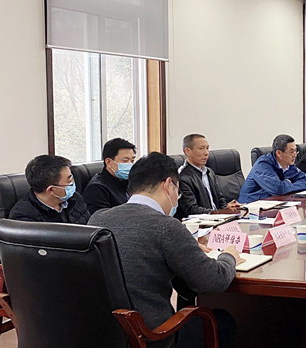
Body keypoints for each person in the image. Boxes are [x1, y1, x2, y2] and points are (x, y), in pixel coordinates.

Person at [88, 152, 243, 348]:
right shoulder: (166, 226)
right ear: (169, 185)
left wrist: (189, 248)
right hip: (153, 336)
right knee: (223, 320)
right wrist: (228, 256)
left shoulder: (97, 218)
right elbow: (214, 281)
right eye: (178, 190)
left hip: (105, 333)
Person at [9, 154, 89, 224]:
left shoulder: (75, 198)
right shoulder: (24, 216)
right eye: (69, 180)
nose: (73, 183)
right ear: (51, 190)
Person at [177, 134, 242, 219]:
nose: (206, 153)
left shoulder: (209, 172)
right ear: (187, 151)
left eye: (207, 148)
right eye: (201, 148)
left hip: (217, 218)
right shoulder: (182, 177)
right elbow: (191, 209)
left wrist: (227, 208)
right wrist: (218, 213)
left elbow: (219, 199)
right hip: (201, 222)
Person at [239, 134, 306, 203]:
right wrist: (288, 184)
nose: (295, 155)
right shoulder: (262, 165)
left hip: (274, 202)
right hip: (250, 206)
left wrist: (287, 186)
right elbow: (278, 189)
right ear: (279, 153)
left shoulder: (289, 165)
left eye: (296, 151)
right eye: (291, 152)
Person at [83, 138, 136, 214]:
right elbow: (101, 218)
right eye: (125, 161)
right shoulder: (97, 189)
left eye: (132, 161)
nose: (130, 165)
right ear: (108, 162)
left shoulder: (128, 180)